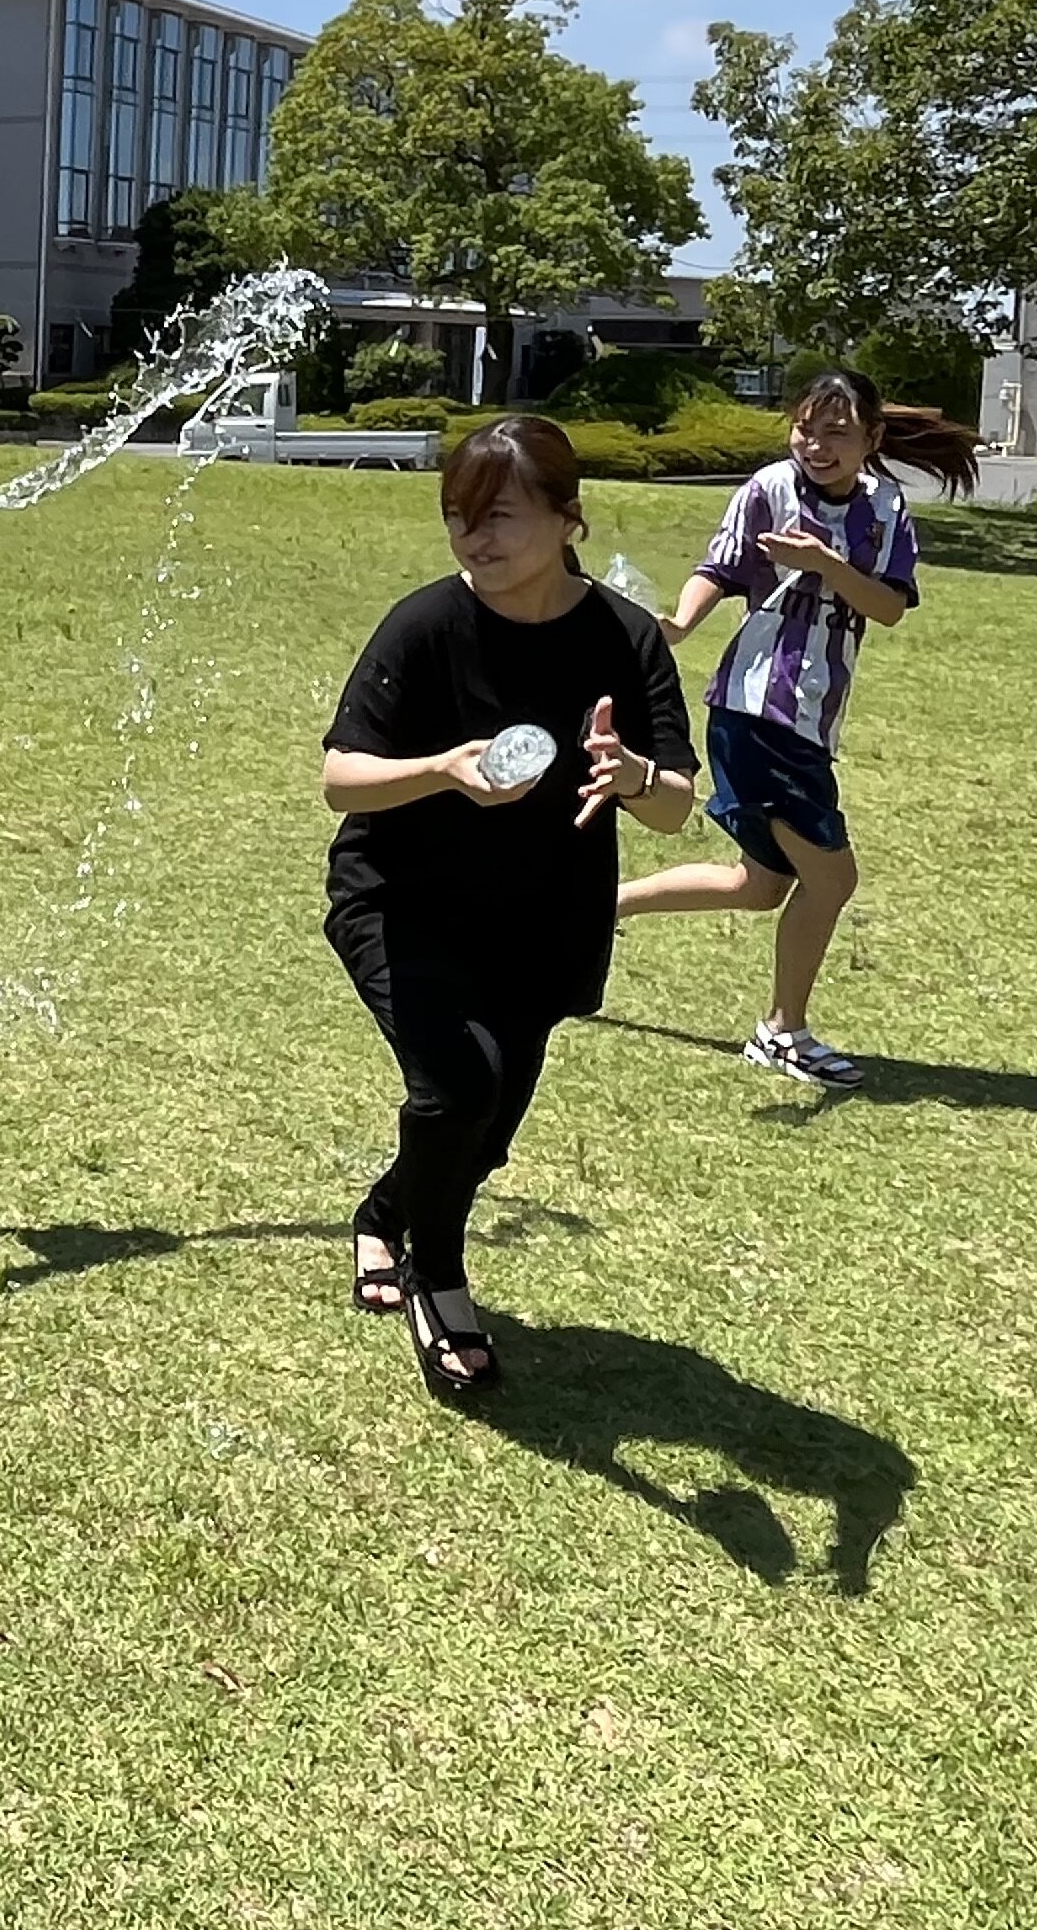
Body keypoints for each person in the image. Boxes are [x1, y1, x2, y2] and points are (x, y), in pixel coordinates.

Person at [322, 416, 699, 1403]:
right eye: (458, 519)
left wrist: (633, 774)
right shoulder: (426, 624)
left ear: (569, 518)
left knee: (484, 1133)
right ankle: (437, 1279)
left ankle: (381, 1213)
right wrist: (442, 769)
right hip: (403, 903)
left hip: (542, 921)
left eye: (499, 518)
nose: (474, 540)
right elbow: (341, 779)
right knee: (458, 1088)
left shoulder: (621, 635)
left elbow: (676, 807)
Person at [615, 366, 968, 1089]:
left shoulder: (886, 506)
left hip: (812, 716)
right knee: (832, 879)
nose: (817, 445)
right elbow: (720, 566)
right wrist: (679, 623)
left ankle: (591, 908)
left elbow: (889, 606)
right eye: (807, 428)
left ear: (871, 439)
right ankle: (782, 1032)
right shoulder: (767, 488)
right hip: (757, 709)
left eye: (837, 433)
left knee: (760, 884)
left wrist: (824, 563)